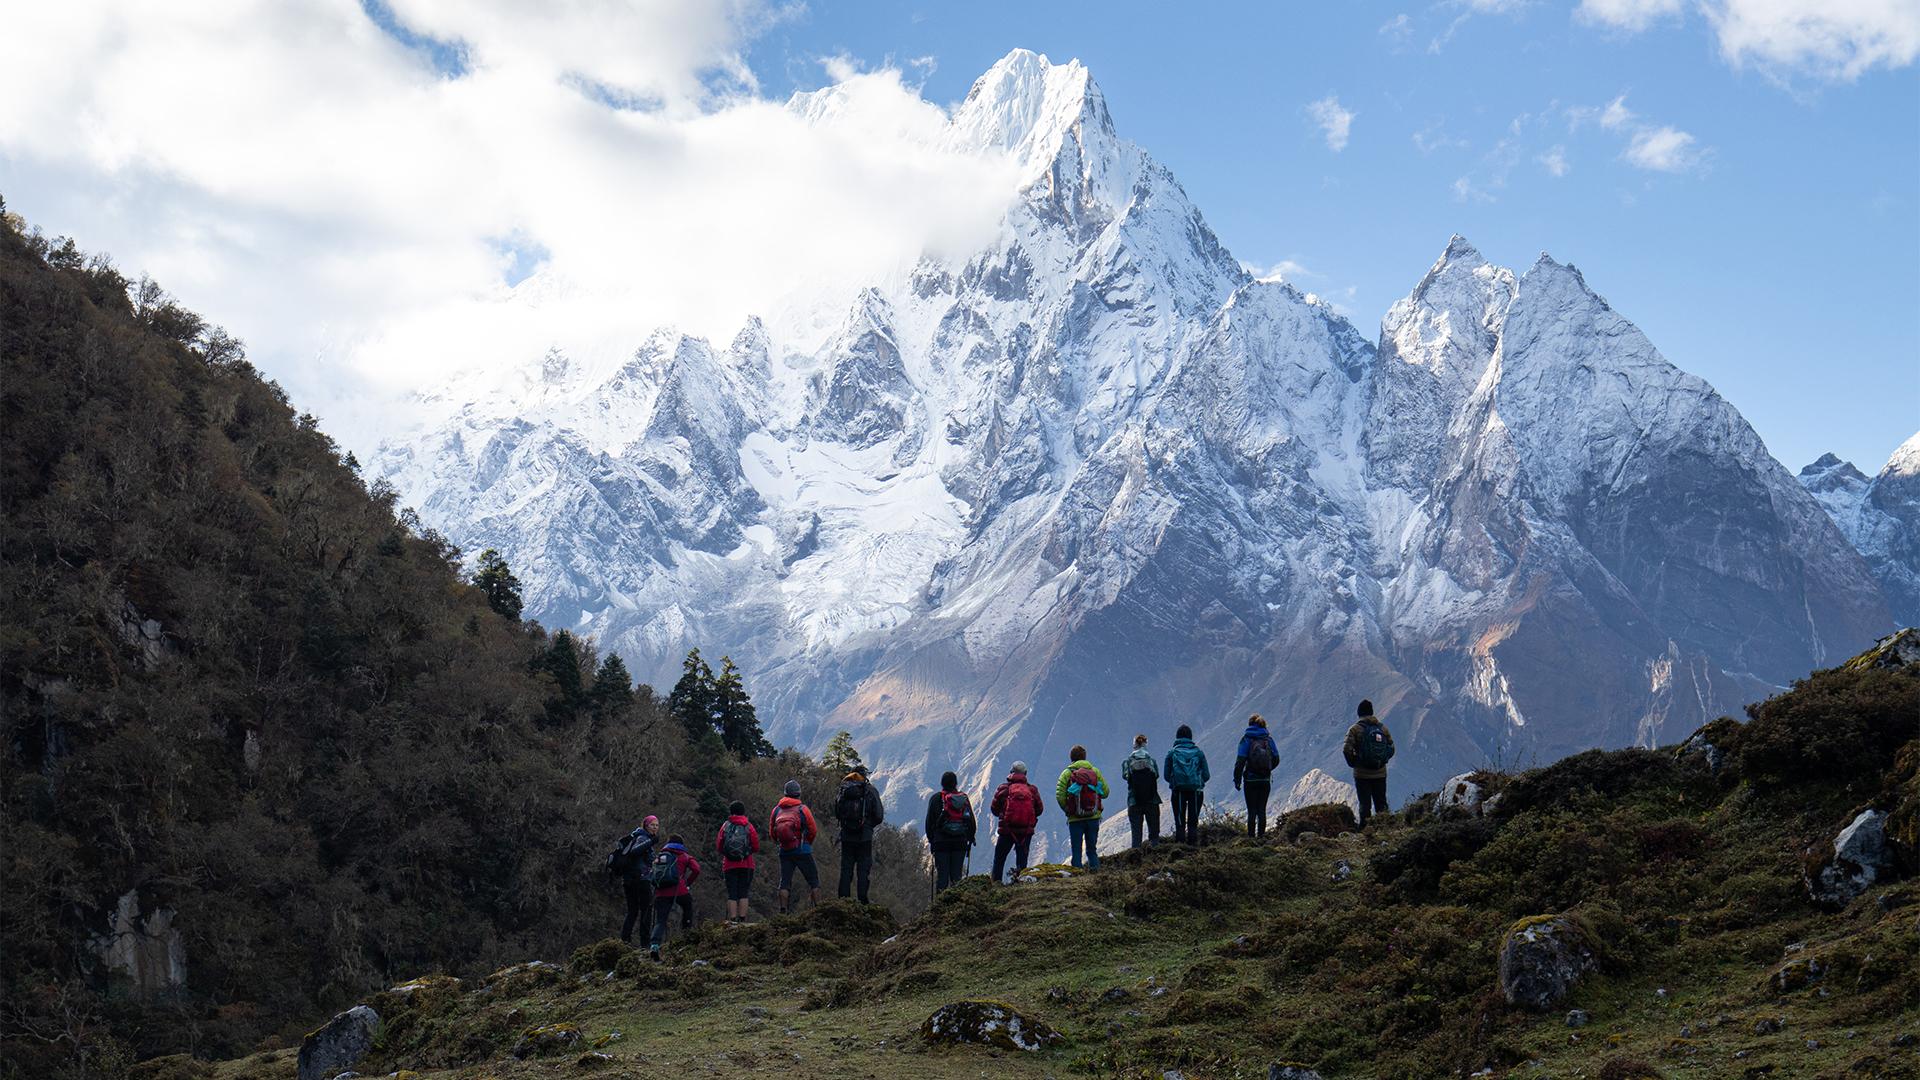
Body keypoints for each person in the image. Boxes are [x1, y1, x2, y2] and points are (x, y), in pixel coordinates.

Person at [833, 764, 885, 903]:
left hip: (846, 836)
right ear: (865, 776)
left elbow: (837, 812)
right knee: (863, 869)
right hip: (864, 837)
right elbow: (879, 815)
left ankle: (843, 900)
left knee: (846, 869)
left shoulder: (843, 790)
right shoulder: (870, 790)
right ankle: (863, 899)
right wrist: (868, 826)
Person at [768, 780, 821, 914]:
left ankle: (783, 910)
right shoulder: (803, 809)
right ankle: (819, 910)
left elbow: (772, 831)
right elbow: (813, 829)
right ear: (798, 794)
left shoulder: (777, 810)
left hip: (785, 850)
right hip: (802, 850)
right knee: (814, 881)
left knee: (785, 881)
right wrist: (807, 843)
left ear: (785, 793)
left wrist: (779, 843)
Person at [646, 834, 700, 958]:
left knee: (661, 920)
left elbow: (652, 873)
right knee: (687, 907)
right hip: (679, 890)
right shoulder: (684, 856)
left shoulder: (660, 856)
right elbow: (697, 869)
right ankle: (687, 936)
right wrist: (687, 883)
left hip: (661, 892)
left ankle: (654, 945)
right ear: (681, 844)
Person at [1055, 746, 1108, 871]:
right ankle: (1097, 878)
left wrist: (1068, 809)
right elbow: (1105, 792)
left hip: (1075, 819)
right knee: (1092, 850)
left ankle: (1076, 878)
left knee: (1076, 851)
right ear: (1085, 757)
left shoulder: (1066, 773)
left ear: (1071, 758)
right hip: (1093, 817)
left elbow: (1059, 795)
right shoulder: (1095, 772)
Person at [923, 770, 977, 893]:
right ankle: (956, 906)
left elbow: (929, 823)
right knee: (957, 876)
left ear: (942, 783)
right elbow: (971, 822)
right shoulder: (963, 799)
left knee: (942, 877)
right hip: (960, 842)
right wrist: (970, 837)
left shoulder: (936, 798)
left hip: (941, 843)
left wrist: (932, 840)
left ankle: (940, 908)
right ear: (955, 783)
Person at [1344, 699, 1395, 826]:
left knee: (1365, 804)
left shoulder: (1354, 730)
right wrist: (1383, 760)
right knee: (1381, 802)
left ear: (1359, 713)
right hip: (1380, 773)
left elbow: (1346, 749)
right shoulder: (1383, 729)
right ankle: (1384, 827)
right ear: (1372, 712)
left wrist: (1354, 763)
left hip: (1361, 774)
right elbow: (1392, 748)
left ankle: (1366, 830)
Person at [989, 762, 1043, 883]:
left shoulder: (1003, 789)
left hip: (1006, 831)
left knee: (999, 860)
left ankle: (996, 885)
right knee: (1022, 861)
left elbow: (994, 809)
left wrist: (1005, 816)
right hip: (1025, 832)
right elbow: (1039, 809)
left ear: (1011, 773)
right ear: (1025, 774)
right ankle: (1021, 886)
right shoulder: (1032, 790)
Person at [611, 815, 660, 944]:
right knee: (646, 910)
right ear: (646, 825)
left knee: (632, 910)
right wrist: (651, 842)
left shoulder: (638, 837)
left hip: (628, 879)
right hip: (641, 879)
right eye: (652, 825)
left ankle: (625, 939)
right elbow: (634, 852)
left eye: (657, 825)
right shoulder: (643, 838)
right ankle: (645, 942)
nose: (655, 828)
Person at [1234, 714, 1281, 838]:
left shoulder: (1246, 739)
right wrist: (1267, 770)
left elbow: (1240, 761)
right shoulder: (1268, 739)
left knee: (1252, 811)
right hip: (1265, 780)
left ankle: (1251, 838)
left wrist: (1237, 780)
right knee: (1262, 809)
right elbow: (1276, 758)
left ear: (1250, 724)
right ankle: (1261, 838)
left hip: (1250, 779)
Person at [714, 800, 760, 924]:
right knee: (743, 892)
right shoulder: (748, 825)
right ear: (743, 812)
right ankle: (743, 919)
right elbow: (756, 846)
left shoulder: (725, 826)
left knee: (732, 893)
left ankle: (733, 919)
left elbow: (719, 846)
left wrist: (728, 854)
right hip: (747, 864)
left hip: (729, 865)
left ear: (731, 812)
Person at [1164, 725, 1210, 844]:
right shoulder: (1199, 753)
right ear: (1190, 737)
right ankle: (1193, 848)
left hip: (1178, 790)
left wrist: (1176, 782)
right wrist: (1198, 782)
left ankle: (1180, 848)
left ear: (1177, 737)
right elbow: (1207, 775)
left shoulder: (1171, 753)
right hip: (1196, 790)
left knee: (1179, 821)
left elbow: (1166, 775)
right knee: (1193, 821)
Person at [1120, 734, 1162, 848]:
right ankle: (1156, 859)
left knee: (1136, 835)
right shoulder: (1151, 761)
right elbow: (1156, 775)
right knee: (1154, 835)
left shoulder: (1127, 762)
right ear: (1145, 744)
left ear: (1134, 745)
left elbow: (1125, 776)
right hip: (1152, 799)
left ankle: (1136, 860)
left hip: (1134, 801)